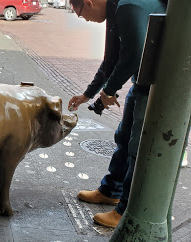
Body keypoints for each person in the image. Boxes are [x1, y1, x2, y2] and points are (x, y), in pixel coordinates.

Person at [67, 0, 166, 228]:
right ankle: (112, 190)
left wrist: (109, 90)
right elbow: (111, 59)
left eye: (81, 14)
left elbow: (133, 55)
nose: (83, 20)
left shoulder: (126, 6)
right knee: (123, 136)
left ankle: (126, 211)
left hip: (158, 84)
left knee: (137, 148)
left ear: (90, 3)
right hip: (142, 81)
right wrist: (88, 94)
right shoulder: (114, 11)